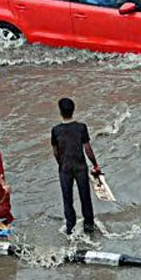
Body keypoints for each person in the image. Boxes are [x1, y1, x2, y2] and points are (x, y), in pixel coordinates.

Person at [50, 97, 100, 235]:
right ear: (73, 110)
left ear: (60, 112)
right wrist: (95, 164)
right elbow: (88, 149)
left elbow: (55, 151)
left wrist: (61, 163)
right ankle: (89, 226)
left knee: (67, 199)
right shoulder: (81, 127)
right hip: (80, 167)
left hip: (65, 168)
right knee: (85, 197)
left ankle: (70, 227)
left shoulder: (56, 130)